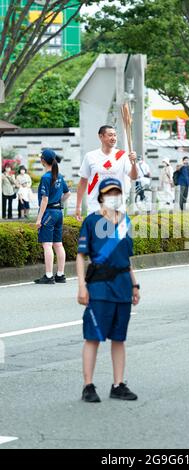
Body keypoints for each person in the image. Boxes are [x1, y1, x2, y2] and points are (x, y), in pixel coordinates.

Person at [76, 177, 140, 403]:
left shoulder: (125, 222)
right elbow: (81, 256)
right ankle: (88, 386)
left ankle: (118, 384)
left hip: (122, 286)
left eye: (117, 193)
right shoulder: (92, 222)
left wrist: (134, 284)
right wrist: (82, 286)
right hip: (99, 287)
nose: (114, 197)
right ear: (101, 196)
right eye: (109, 193)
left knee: (119, 338)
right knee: (93, 337)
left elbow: (127, 259)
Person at [76, 125, 138, 219]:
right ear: (101, 136)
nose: (113, 138)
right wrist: (78, 206)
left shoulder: (122, 156)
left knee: (115, 234)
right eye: (110, 135)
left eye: (114, 135)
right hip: (95, 207)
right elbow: (83, 182)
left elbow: (134, 177)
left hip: (117, 208)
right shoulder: (90, 156)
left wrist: (134, 163)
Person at [34, 149, 71, 285]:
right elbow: (68, 194)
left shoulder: (46, 177)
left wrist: (39, 219)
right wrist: (59, 202)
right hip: (58, 213)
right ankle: (60, 275)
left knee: (47, 244)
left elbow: (44, 199)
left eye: (41, 158)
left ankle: (49, 276)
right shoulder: (59, 176)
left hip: (49, 213)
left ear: (43, 161)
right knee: (58, 244)